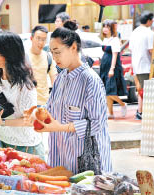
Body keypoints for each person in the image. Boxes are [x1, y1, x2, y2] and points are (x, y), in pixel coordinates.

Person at [28, 22, 112, 174]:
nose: (54, 58)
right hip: (60, 158)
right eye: (51, 53)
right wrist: (36, 113)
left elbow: (98, 123)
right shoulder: (61, 78)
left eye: (57, 52)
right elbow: (51, 109)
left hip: (86, 163)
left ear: (73, 47)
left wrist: (60, 128)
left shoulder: (90, 80)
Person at [100, 19, 128, 119]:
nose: (105, 29)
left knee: (109, 91)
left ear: (111, 28)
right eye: (104, 26)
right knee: (106, 92)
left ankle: (123, 104)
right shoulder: (105, 39)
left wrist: (112, 68)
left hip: (112, 67)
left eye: (107, 27)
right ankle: (111, 113)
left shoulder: (115, 39)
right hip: (104, 66)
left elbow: (115, 55)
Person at [129, 11, 154, 120]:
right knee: (147, 91)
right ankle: (144, 113)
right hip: (146, 66)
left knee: (141, 91)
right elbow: (151, 50)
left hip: (136, 65)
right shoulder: (149, 33)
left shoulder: (134, 32)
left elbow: (131, 49)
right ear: (149, 21)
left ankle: (140, 112)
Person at [27, 26, 57, 105]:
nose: (41, 42)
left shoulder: (48, 57)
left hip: (44, 103)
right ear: (31, 38)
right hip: (27, 103)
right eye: (38, 38)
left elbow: (55, 81)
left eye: (44, 39)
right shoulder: (23, 57)